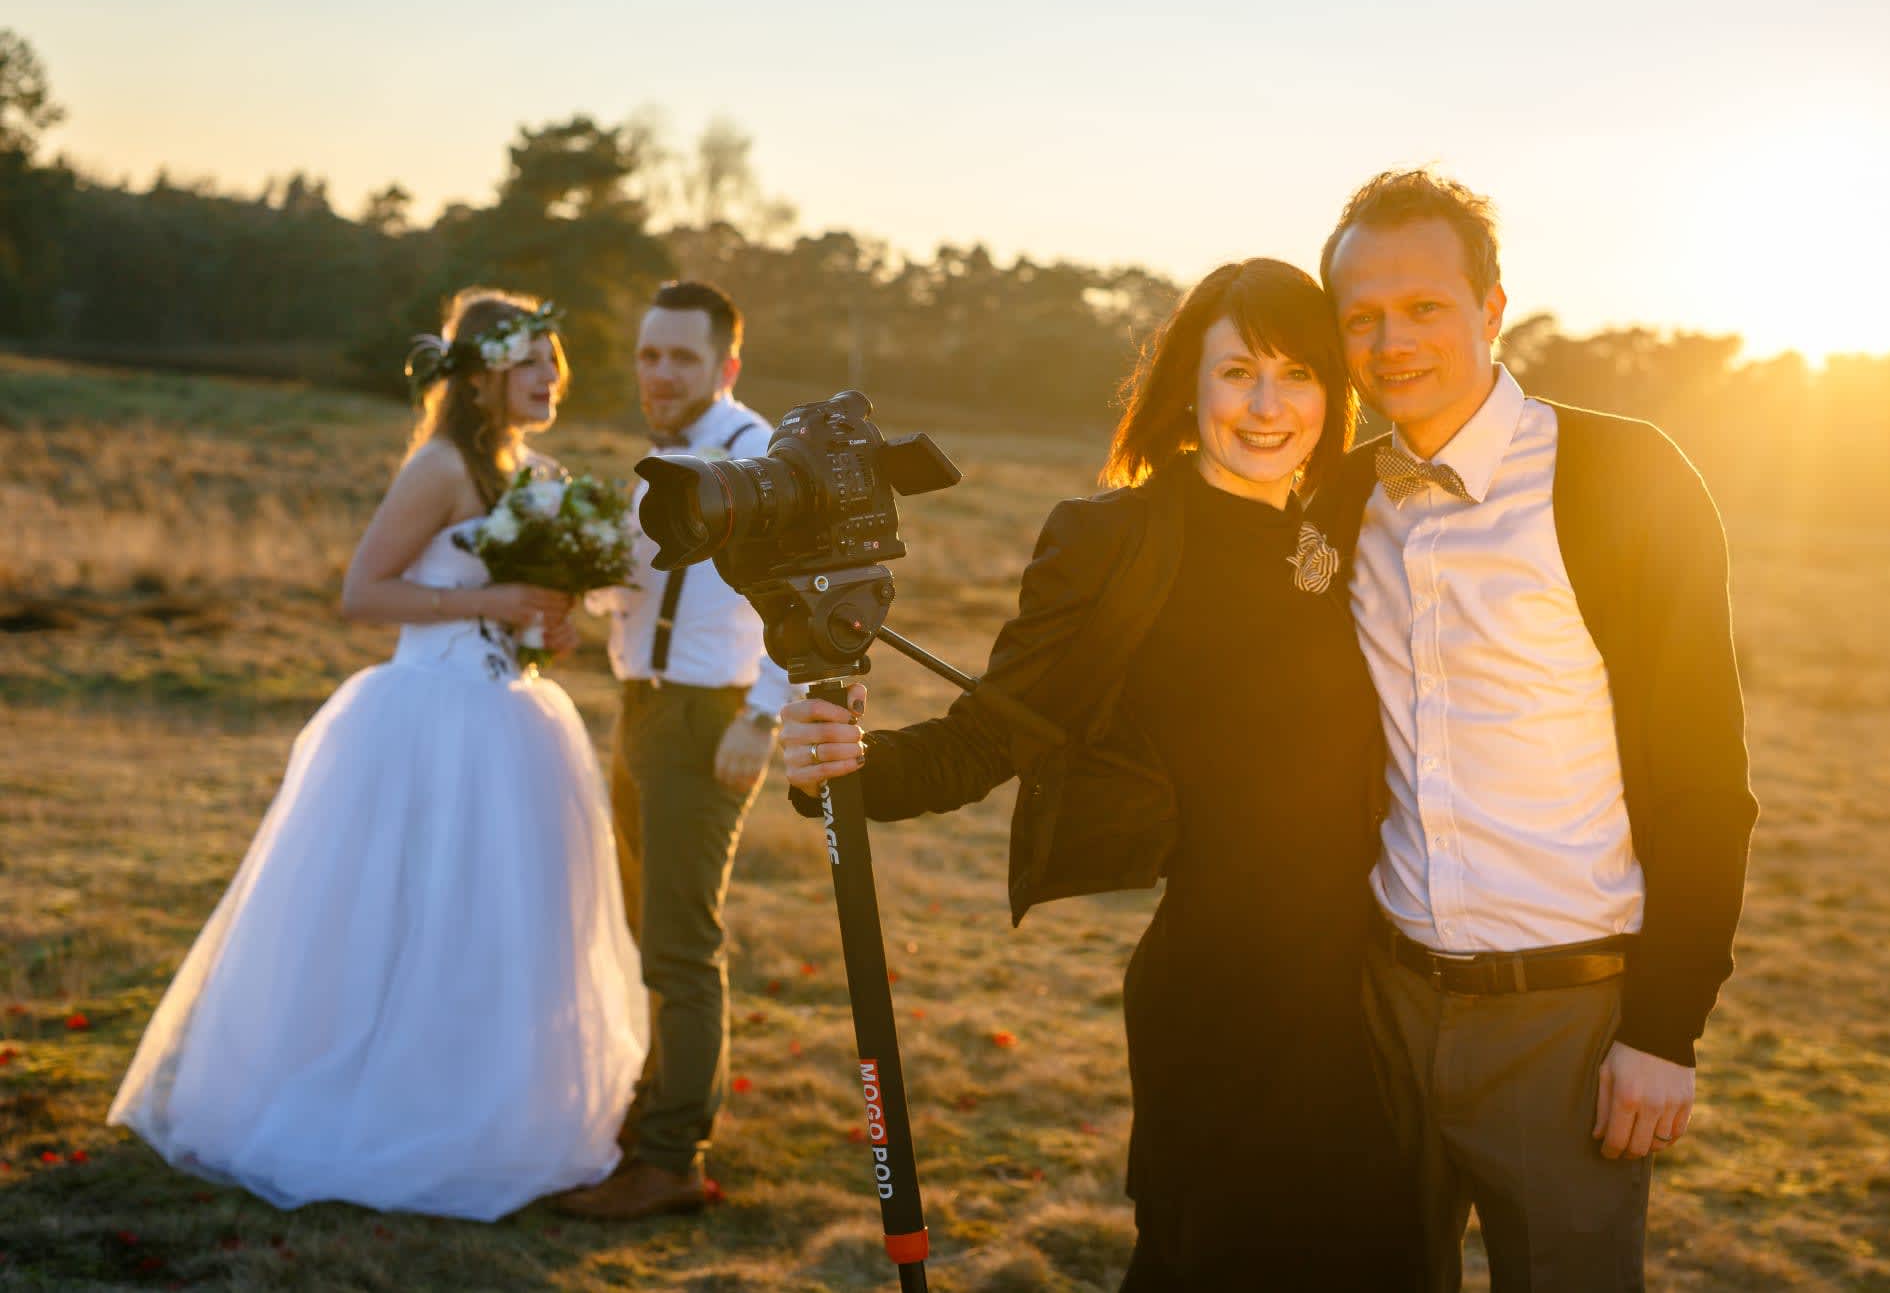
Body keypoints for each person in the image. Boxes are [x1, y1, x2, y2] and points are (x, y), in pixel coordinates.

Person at [779, 259, 1423, 1288]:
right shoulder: (1115, 540)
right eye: (1236, 373)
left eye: (1297, 374)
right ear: (1186, 386)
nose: (1267, 407)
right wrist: (844, 769)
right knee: (1209, 1261)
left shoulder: (1355, 520)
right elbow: (991, 734)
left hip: (1377, 992)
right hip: (1225, 995)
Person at [107, 289, 648, 1221]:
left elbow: (522, 604)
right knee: (405, 911)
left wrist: (542, 619)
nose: (552, 379)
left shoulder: (535, 471)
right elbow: (365, 591)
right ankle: (378, 1100)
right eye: (535, 364)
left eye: (554, 365)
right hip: (425, 717)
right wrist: (493, 600)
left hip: (512, 719)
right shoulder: (439, 467)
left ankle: (482, 1100)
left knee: (496, 920)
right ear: (483, 373)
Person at [1313, 170, 1758, 1291]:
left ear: (1491, 307)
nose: (1389, 339)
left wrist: (1664, 1030)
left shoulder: (1623, 475)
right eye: (1359, 316)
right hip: (1380, 1010)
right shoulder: (1334, 501)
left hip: (1568, 1021)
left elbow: (1706, 780)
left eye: (1423, 307)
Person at [553, 280, 793, 1220]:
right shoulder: (657, 458)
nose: (660, 371)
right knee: (646, 929)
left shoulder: (758, 456)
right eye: (649, 354)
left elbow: (799, 594)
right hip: (642, 709)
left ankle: (670, 1158)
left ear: (727, 366)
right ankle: (648, 1116)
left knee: (683, 944)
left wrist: (762, 716)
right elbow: (645, 598)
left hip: (709, 717)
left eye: (682, 357)